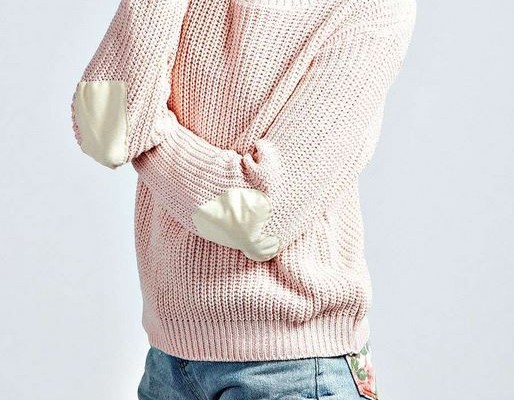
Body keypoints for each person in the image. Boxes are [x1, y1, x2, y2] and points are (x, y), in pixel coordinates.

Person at [70, 0, 416, 398]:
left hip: (295, 367)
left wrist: (147, 136)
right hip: (168, 361)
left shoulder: (371, 6)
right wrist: (129, 130)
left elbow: (259, 215)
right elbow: (104, 126)